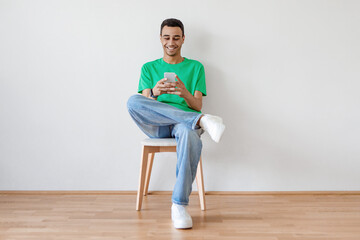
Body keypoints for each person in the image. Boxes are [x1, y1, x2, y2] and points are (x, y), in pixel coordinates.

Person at [127, 18, 225, 229]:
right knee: (133, 101)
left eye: (176, 38)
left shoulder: (196, 67)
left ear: (183, 40)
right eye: (166, 37)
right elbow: (144, 103)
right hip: (157, 125)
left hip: (184, 125)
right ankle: (202, 121)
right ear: (160, 39)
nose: (171, 42)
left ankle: (179, 206)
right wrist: (154, 92)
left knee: (189, 134)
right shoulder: (148, 67)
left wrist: (183, 92)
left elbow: (197, 103)